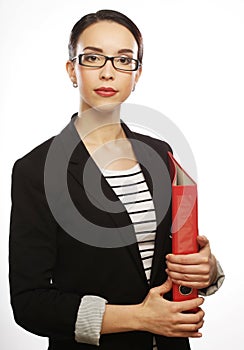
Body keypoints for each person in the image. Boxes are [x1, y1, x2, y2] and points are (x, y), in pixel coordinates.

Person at [9, 9, 224, 350]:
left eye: (124, 60)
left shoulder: (160, 153)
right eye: (93, 58)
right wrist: (140, 317)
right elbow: (29, 303)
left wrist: (206, 269)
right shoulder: (35, 170)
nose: (108, 72)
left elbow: (169, 256)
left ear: (136, 75)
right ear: (72, 70)